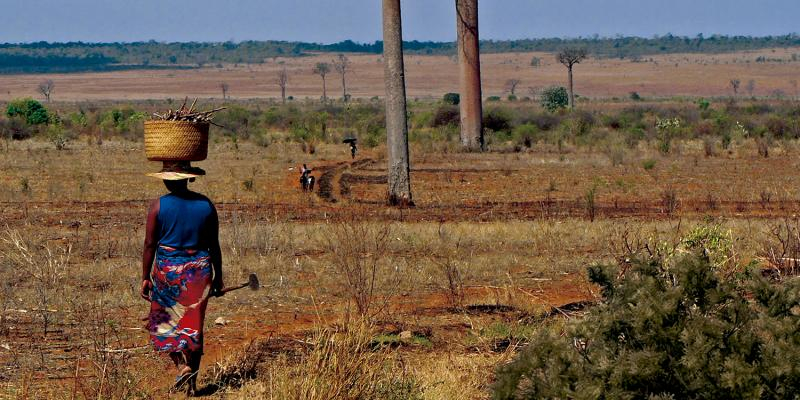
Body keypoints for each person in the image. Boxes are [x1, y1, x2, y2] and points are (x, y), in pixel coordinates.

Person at [140, 161, 223, 395]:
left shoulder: (158, 206)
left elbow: (149, 244)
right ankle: (193, 387)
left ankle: (181, 364)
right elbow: (214, 245)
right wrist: (218, 276)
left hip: (167, 272)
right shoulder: (206, 205)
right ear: (188, 178)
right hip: (200, 271)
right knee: (194, 325)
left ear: (166, 180)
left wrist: (145, 276)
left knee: (163, 322)